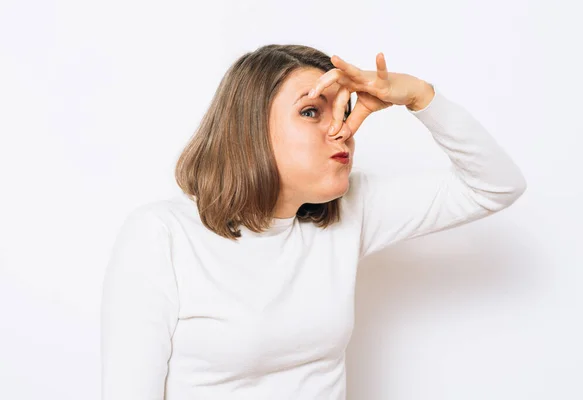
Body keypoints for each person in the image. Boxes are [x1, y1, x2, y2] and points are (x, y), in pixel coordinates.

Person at [100, 44, 527, 399]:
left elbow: (495, 186)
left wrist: (419, 96)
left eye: (342, 114)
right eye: (311, 112)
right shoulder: (161, 235)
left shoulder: (349, 212)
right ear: (249, 129)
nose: (341, 131)